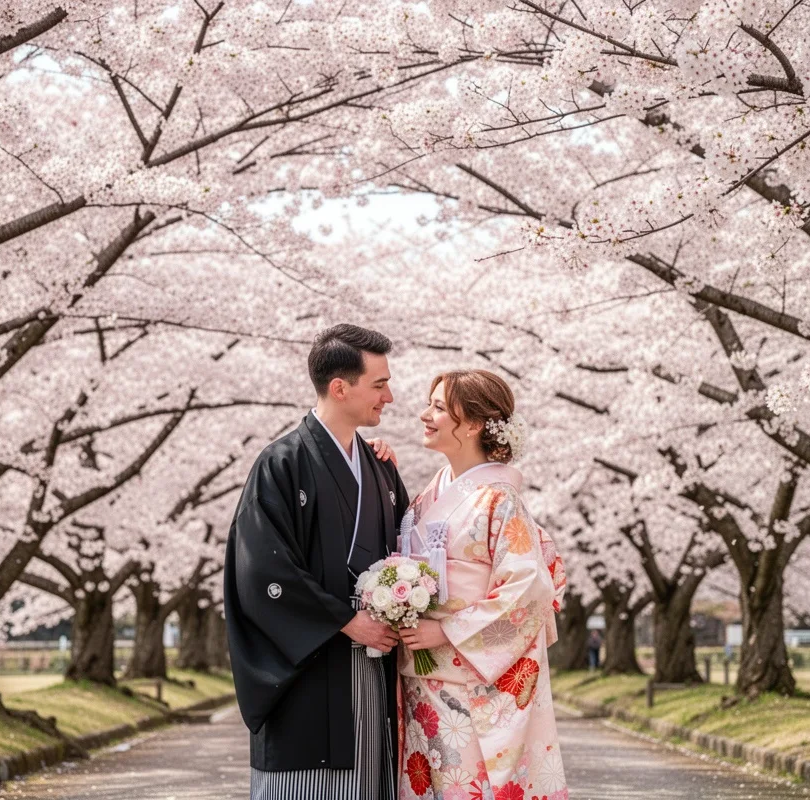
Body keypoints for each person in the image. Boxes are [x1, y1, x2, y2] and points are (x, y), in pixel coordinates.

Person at [224, 324, 409, 800]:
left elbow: (410, 546)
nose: (389, 396)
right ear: (340, 387)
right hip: (308, 673)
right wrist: (347, 620)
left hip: (371, 668)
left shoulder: (380, 467)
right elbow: (263, 570)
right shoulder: (281, 463)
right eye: (380, 384)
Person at [387, 369, 569, 800]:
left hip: (469, 683)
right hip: (420, 676)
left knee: (467, 786)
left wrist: (446, 629)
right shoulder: (431, 493)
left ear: (471, 423)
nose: (423, 415)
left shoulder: (499, 500)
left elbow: (528, 589)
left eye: (436, 407)